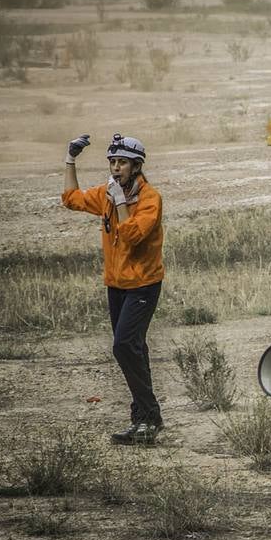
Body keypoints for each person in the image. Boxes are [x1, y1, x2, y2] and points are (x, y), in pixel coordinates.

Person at [62, 133, 164, 444]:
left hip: (144, 285)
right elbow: (71, 198)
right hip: (116, 286)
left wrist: (120, 202)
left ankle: (150, 416)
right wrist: (70, 159)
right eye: (112, 162)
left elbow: (132, 235)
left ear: (137, 166)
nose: (115, 168)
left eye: (121, 162)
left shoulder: (150, 199)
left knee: (123, 346)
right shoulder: (107, 195)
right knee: (135, 349)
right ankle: (144, 421)